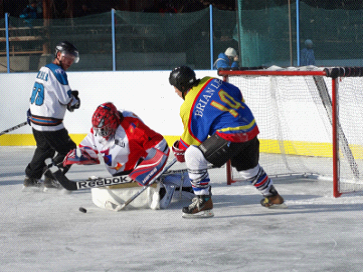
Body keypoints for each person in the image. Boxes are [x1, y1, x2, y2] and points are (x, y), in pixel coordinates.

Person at [169, 66, 287, 218]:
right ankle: (273, 197)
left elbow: (190, 142)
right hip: (249, 125)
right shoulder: (210, 81)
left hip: (232, 133)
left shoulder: (187, 106)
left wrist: (178, 151)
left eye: (174, 87)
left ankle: (203, 202)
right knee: (248, 168)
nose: (174, 91)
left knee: (193, 155)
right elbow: (236, 92)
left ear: (182, 86)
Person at [61, 102, 194, 210]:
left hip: (137, 164)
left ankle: (181, 185)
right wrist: (77, 155)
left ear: (113, 123)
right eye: (97, 130)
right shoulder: (101, 129)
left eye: (103, 130)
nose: (100, 134)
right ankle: (182, 182)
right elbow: (90, 144)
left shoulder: (132, 127)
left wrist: (148, 170)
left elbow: (160, 144)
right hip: (120, 169)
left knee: (156, 195)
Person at [24, 41, 81, 191]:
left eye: (72, 58)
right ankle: (52, 177)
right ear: (58, 55)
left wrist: (32, 111)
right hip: (49, 123)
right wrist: (74, 100)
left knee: (45, 149)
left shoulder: (44, 68)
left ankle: (31, 178)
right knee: (69, 150)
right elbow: (65, 99)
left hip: (36, 119)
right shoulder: (59, 72)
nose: (70, 61)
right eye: (67, 56)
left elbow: (34, 94)